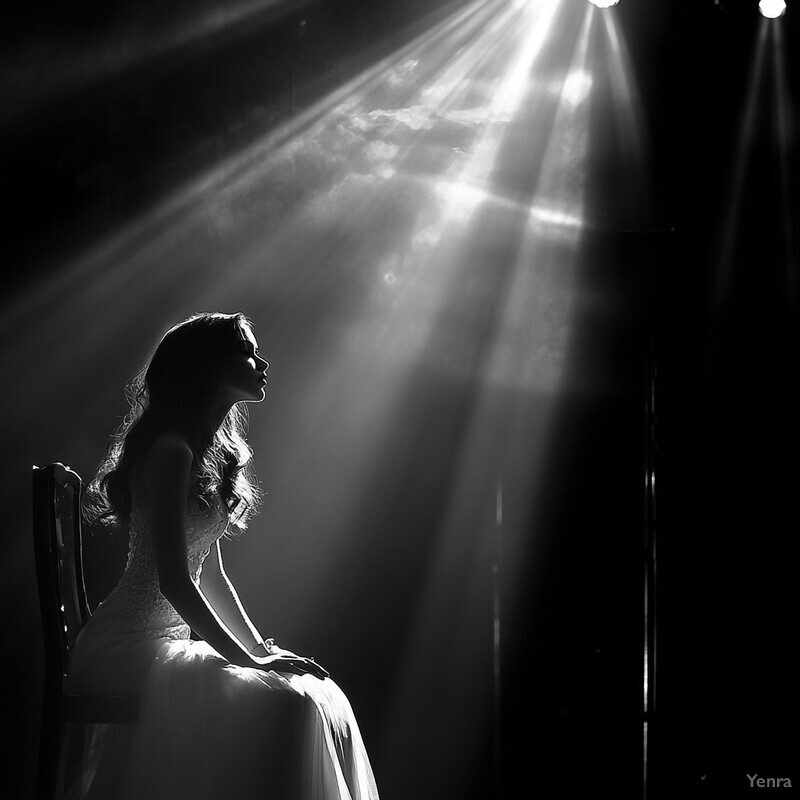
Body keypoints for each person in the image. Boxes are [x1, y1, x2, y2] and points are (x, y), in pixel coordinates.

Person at [63, 312, 380, 800]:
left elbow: (211, 576)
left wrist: (261, 651)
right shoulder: (171, 451)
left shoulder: (202, 451)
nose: (262, 361)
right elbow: (174, 581)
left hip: (162, 648)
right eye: (247, 352)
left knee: (311, 695)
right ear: (208, 366)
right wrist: (247, 661)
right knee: (286, 706)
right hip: (123, 650)